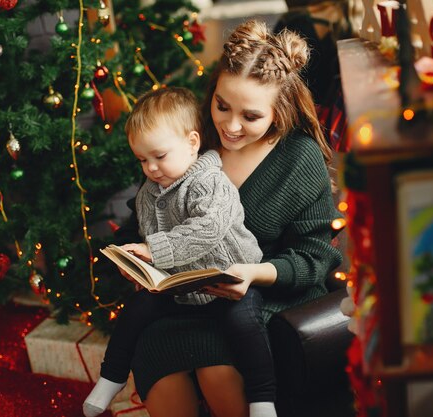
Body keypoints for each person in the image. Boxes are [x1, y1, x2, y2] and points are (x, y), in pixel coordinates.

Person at [104, 20, 343, 417]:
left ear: (278, 110)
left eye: (250, 116)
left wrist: (252, 273)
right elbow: (142, 219)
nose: (230, 126)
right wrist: (136, 259)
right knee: (157, 367)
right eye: (221, 106)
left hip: (262, 300)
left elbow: (315, 258)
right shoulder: (189, 139)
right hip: (183, 302)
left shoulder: (298, 159)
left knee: (217, 370)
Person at [83, 87, 273, 417]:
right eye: (142, 160)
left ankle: (262, 399)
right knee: (137, 310)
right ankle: (110, 376)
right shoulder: (149, 193)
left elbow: (208, 229)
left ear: (191, 143)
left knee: (245, 323)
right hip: (184, 289)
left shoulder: (210, 182)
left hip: (231, 281)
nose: (151, 168)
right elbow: (148, 235)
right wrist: (138, 264)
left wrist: (152, 249)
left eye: (159, 156)